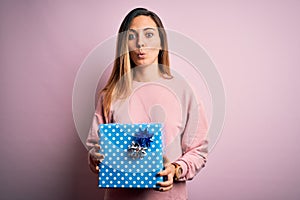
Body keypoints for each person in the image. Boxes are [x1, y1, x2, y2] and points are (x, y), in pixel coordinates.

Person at [86, 7, 209, 200]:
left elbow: (199, 149)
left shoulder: (184, 90)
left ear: (161, 41)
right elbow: (95, 147)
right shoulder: (110, 94)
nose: (140, 43)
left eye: (149, 34)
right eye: (132, 36)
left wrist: (176, 169)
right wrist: (96, 158)